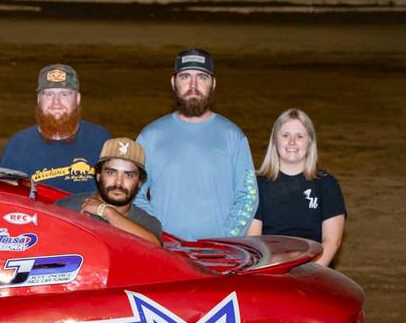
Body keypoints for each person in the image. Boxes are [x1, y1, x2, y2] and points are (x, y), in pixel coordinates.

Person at [134, 48, 258, 241]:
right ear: (173, 83)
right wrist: (160, 235)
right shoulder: (150, 136)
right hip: (167, 254)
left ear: (213, 83)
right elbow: (135, 194)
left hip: (219, 256)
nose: (193, 85)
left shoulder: (233, 136)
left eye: (202, 77)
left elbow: (248, 196)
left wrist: (225, 240)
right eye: (185, 77)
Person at [248, 109, 346, 266]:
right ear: (275, 141)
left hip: (316, 272)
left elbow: (332, 241)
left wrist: (308, 275)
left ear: (310, 142)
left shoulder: (327, 185)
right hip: (270, 271)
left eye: (300, 136)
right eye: (285, 135)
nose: (292, 142)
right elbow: (254, 242)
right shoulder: (257, 185)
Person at [0, 64, 111, 192]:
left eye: (65, 94)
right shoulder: (18, 144)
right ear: (39, 99)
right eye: (49, 94)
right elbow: (4, 195)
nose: (56, 103)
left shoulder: (100, 140)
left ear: (78, 99)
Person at [55, 137, 162, 245]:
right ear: (98, 176)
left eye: (128, 175)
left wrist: (106, 211)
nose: (119, 183)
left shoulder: (146, 223)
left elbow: (155, 247)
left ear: (139, 183)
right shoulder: (67, 208)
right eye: (111, 173)